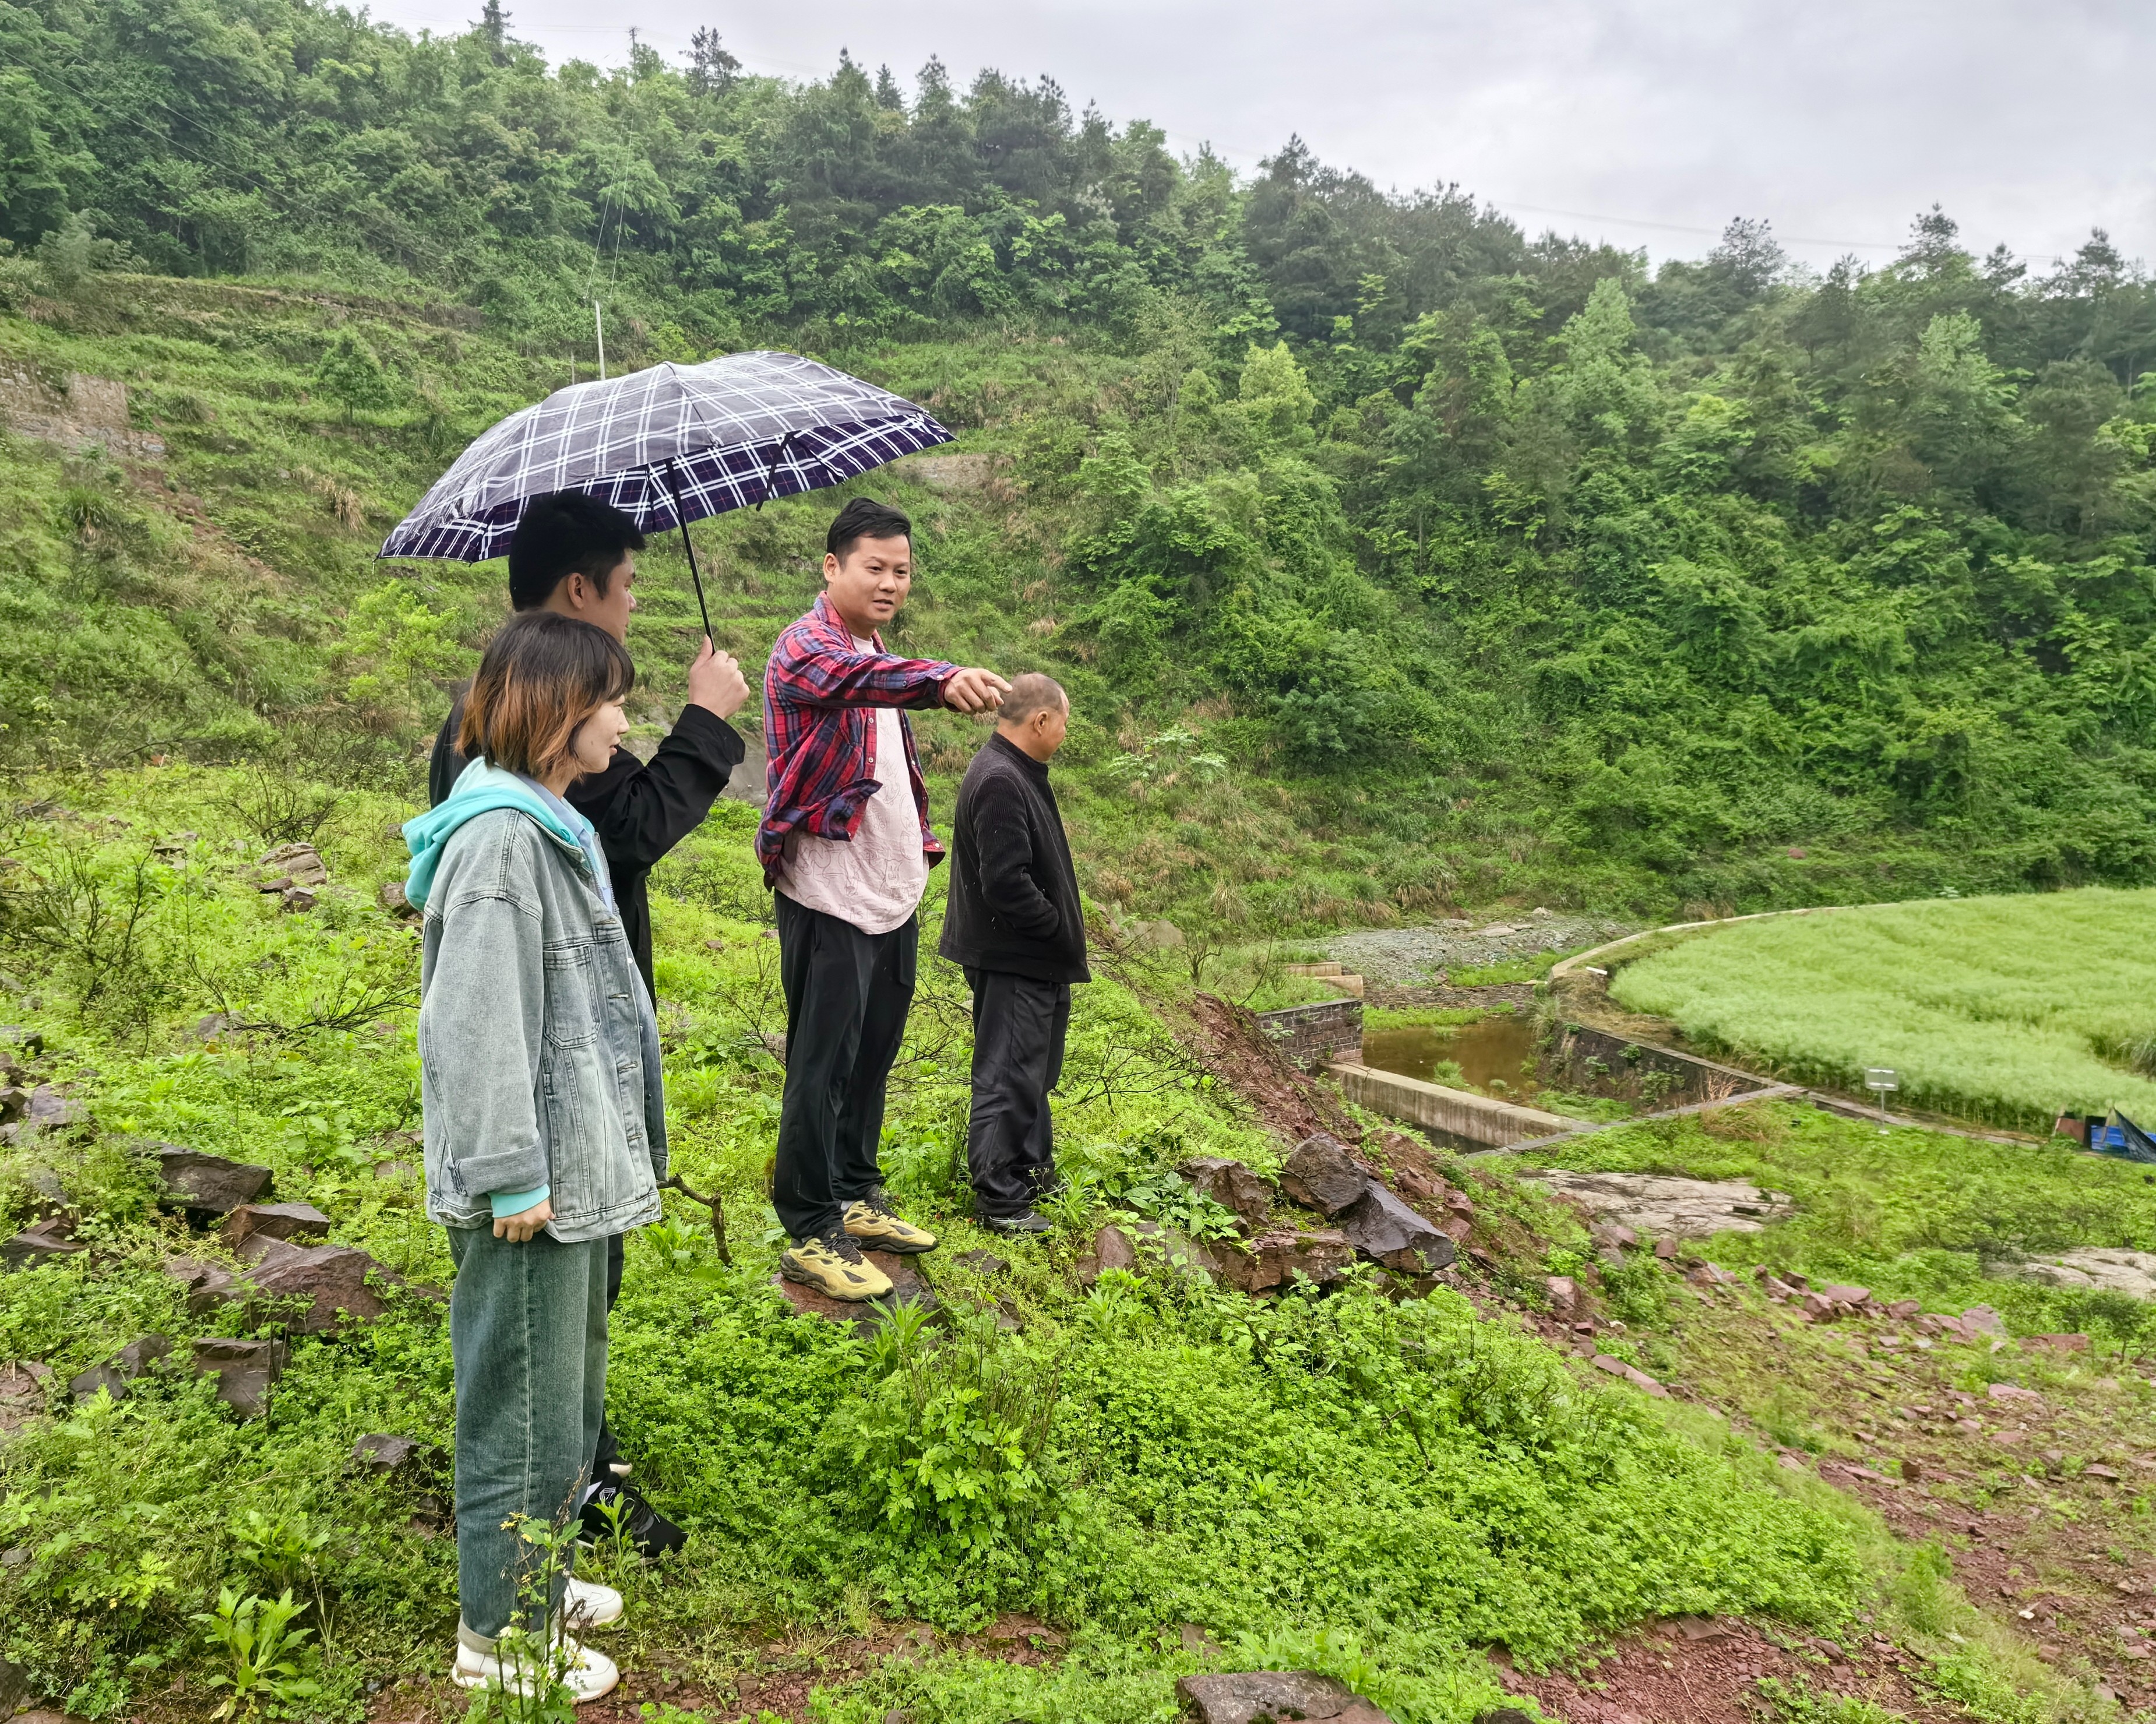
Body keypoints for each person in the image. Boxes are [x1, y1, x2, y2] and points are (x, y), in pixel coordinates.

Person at [429, 489, 747, 1559]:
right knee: (551, 1294)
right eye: (628, 586)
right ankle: (548, 1521)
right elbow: (636, 837)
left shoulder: (512, 724)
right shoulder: (519, 765)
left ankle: (567, 1477)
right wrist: (706, 719)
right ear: (581, 590)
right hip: (548, 1081)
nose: (635, 603)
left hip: (572, 1062)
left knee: (577, 1289)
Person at [405, 612, 668, 1704]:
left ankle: (538, 1575)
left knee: (563, 1394)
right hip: (533, 1181)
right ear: (561, 712)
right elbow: (472, 1021)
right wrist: (512, 1168)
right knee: (517, 1401)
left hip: (574, 1166)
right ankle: (499, 1632)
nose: (623, 717)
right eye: (610, 699)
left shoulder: (550, 820)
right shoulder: (502, 843)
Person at [759, 496, 1009, 1299]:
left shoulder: (872, 643)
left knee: (871, 1056)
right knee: (821, 1061)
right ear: (831, 568)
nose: (891, 581)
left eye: (902, 569)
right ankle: (808, 1224)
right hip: (829, 893)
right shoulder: (809, 649)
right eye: (875, 567)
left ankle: (857, 1192)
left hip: (888, 889)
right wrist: (942, 681)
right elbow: (866, 680)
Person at [938, 674, 1088, 1234]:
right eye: (1065, 722)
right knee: (1006, 1073)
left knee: (1032, 1071)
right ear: (1041, 720)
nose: (1066, 733)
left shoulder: (1016, 771)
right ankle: (999, 1195)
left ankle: (1031, 1168)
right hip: (1016, 955)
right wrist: (1054, 928)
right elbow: (1006, 883)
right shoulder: (1002, 778)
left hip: (1033, 957)